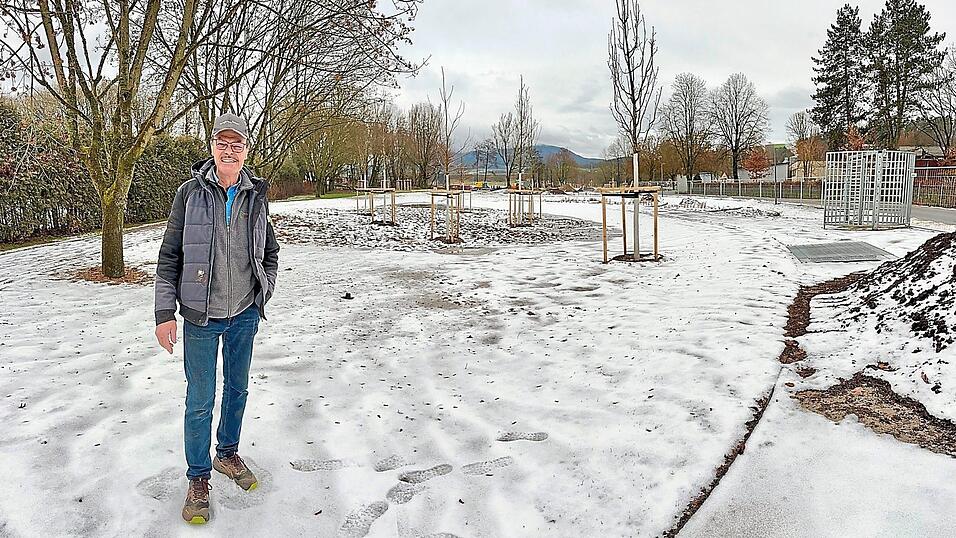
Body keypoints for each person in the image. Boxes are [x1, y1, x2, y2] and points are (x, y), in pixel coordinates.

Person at [153, 113, 279, 524]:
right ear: (212, 147)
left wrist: (265, 289)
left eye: (237, 143)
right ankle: (198, 477)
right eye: (222, 143)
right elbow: (169, 256)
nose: (229, 150)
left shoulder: (256, 195)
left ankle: (227, 454)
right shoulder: (188, 193)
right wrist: (163, 312)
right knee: (199, 400)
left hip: (244, 313)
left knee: (238, 390)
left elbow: (270, 252)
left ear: (246, 150)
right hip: (200, 317)